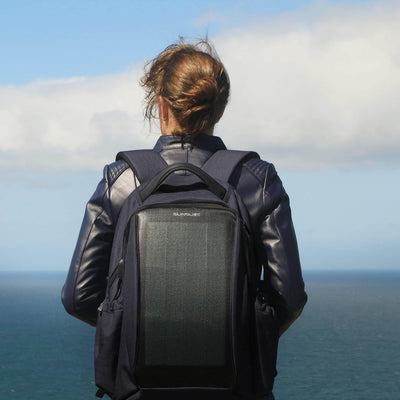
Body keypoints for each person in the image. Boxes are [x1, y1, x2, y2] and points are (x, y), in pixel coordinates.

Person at [62, 39, 307, 399]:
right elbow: (289, 297)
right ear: (219, 108)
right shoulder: (257, 179)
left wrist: (134, 334)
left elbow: (78, 297)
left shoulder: (122, 180)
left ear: (161, 105)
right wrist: (239, 337)